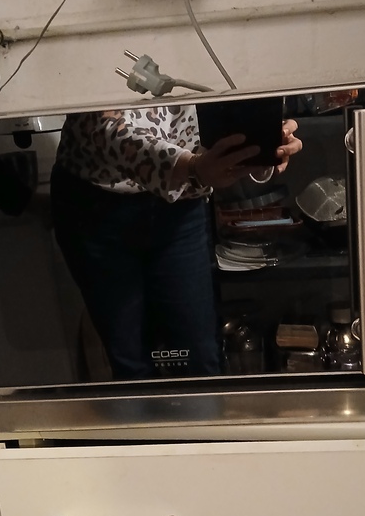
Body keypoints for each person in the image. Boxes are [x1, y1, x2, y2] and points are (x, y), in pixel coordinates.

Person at [49, 101, 302, 381]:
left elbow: (228, 101)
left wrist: (263, 145)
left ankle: (200, 410)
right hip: (97, 202)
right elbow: (104, 129)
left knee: (199, 356)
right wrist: (192, 168)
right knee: (131, 360)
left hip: (183, 201)